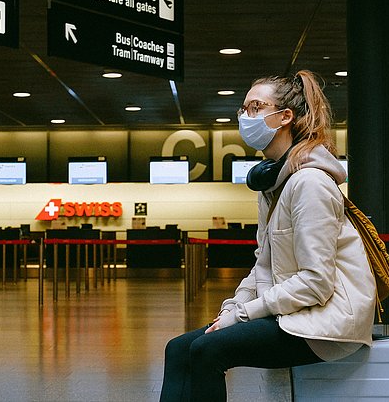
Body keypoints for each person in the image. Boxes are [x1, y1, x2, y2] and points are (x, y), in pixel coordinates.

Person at [160, 70, 377, 401]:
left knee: (207, 351)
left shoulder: (309, 183)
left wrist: (245, 315)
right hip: (295, 314)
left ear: (285, 116)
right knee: (178, 349)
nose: (246, 117)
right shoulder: (275, 186)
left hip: (326, 325)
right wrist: (233, 307)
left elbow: (316, 282)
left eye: (256, 107)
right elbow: (264, 264)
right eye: (243, 109)